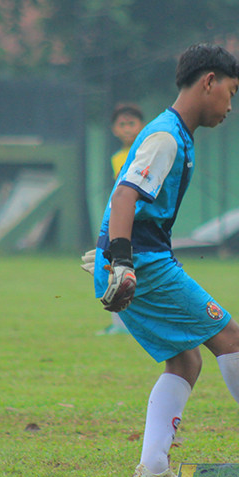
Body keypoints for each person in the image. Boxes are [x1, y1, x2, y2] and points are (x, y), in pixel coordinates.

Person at [82, 44, 239, 477]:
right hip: (143, 263)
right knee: (229, 335)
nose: (231, 106)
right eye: (231, 92)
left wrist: (110, 253)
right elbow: (125, 195)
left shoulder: (177, 135)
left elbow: (128, 199)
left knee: (185, 363)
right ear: (208, 83)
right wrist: (120, 260)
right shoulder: (165, 137)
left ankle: (154, 468)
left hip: (139, 258)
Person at [97, 103, 145, 335]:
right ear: (114, 129)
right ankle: (120, 325)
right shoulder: (118, 157)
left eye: (131, 123)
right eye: (122, 124)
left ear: (142, 126)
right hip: (121, 221)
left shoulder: (144, 153)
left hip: (139, 223)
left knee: (129, 270)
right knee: (114, 270)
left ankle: (129, 324)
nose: (127, 129)